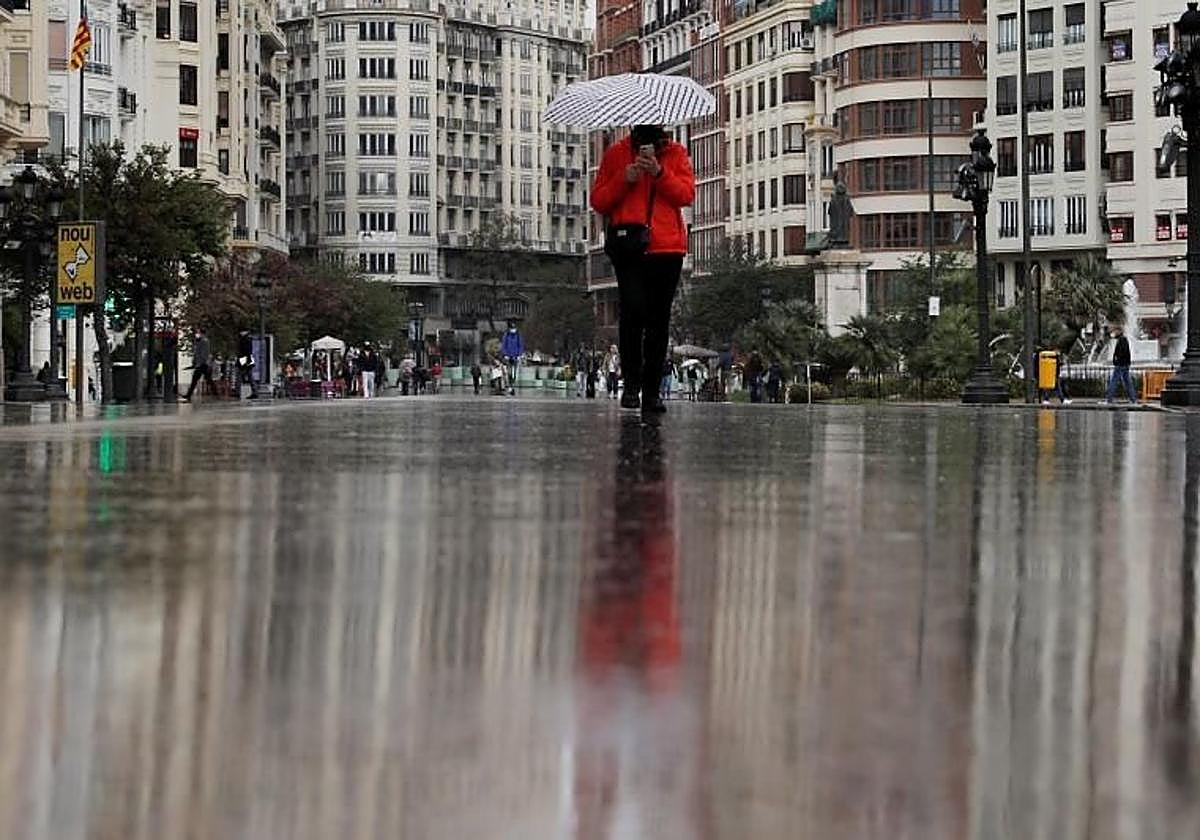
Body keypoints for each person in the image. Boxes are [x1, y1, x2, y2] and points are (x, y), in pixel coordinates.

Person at [592, 123, 695, 414]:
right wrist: (625, 178)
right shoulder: (616, 154)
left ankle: (651, 391)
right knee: (633, 313)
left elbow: (685, 195)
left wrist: (658, 173)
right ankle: (632, 386)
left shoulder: (676, 153)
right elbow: (599, 200)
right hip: (629, 247)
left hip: (667, 247)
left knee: (658, 321)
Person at [1106, 325, 1138, 404]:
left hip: (1120, 365)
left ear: (1119, 331)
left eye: (1115, 331)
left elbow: (1121, 353)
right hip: (1124, 364)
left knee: (1113, 381)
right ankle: (1133, 399)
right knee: (1127, 382)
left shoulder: (1122, 340)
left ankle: (1109, 399)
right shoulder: (1122, 339)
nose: (1113, 333)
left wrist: (1117, 361)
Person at [183, 329, 216, 401]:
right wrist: (194, 362)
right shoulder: (198, 341)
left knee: (197, 379)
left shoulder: (204, 341)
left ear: (201, 333)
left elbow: (204, 353)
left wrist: (200, 363)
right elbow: (196, 353)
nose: (196, 334)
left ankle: (188, 395)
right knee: (207, 379)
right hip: (201, 364)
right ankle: (215, 393)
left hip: (202, 364)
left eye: (198, 333)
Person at [501, 322, 523, 396]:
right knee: (509, 372)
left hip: (515, 356)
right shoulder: (506, 335)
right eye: (512, 328)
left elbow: (520, 345)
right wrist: (505, 354)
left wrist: (519, 354)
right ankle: (510, 386)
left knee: (514, 373)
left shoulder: (518, 335)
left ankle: (512, 386)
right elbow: (504, 345)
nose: (513, 330)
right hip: (508, 356)